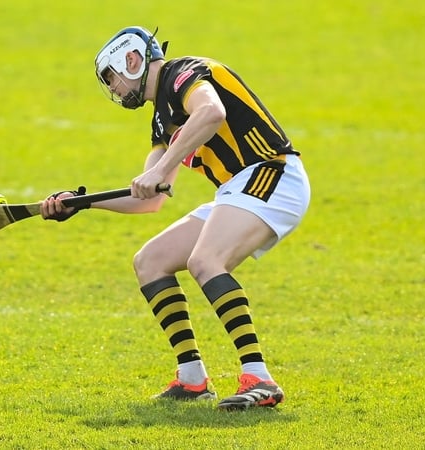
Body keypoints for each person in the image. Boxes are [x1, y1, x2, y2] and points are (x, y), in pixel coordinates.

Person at [41, 26, 310, 411]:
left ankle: (260, 378)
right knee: (150, 261)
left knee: (205, 261)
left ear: (131, 60)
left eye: (112, 79)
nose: (114, 90)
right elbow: (148, 198)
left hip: (272, 172)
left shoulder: (184, 73)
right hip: (238, 187)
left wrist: (161, 167)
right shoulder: (160, 118)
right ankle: (192, 378)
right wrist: (81, 204)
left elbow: (211, 112)